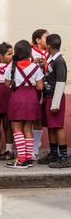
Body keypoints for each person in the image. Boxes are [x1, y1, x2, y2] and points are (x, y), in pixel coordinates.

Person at [5, 40, 44, 169]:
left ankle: (21, 159)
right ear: (29, 52)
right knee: (28, 129)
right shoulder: (35, 67)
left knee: (16, 129)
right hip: (31, 98)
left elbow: (7, 84)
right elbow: (39, 87)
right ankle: (28, 158)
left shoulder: (12, 66)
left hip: (16, 98)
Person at [40, 34, 70, 168]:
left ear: (49, 46)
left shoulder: (59, 61)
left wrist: (56, 103)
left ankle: (64, 157)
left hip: (55, 98)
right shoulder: (51, 60)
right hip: (48, 97)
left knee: (57, 127)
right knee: (51, 127)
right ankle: (54, 154)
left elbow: (61, 81)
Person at [31, 29, 50, 159]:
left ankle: (38, 146)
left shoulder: (51, 53)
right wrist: (33, 63)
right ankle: (33, 148)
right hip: (34, 88)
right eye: (46, 37)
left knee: (44, 118)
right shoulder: (30, 51)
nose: (48, 40)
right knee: (34, 118)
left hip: (47, 89)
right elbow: (23, 67)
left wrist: (46, 64)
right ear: (38, 40)